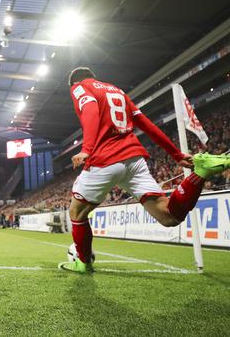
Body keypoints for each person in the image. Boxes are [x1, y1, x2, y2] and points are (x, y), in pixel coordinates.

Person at [59, 67, 230, 273]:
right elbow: (147, 125)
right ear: (95, 77)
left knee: (76, 212)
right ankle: (200, 173)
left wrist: (86, 149)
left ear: (73, 83)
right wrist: (176, 154)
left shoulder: (79, 87)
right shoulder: (117, 91)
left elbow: (91, 111)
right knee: (169, 216)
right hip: (134, 159)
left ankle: (83, 262)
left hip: (105, 159)